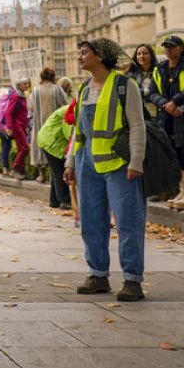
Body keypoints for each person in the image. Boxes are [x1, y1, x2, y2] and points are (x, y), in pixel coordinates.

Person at [64, 38, 148, 302]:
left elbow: (137, 125)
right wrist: (70, 162)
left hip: (118, 163)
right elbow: (78, 130)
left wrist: (136, 161)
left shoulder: (125, 86)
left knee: (127, 222)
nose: (80, 56)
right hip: (86, 162)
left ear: (100, 56)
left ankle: (132, 280)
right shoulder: (84, 88)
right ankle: (98, 274)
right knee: (90, 221)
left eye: (84, 52)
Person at [148, 35, 184, 209]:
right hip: (168, 118)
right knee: (176, 153)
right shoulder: (159, 69)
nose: (169, 49)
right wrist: (165, 104)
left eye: (172, 46)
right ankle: (183, 190)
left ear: (181, 48)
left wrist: (176, 101)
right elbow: (152, 92)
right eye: (166, 46)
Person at [31, 68, 69, 197]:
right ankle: (61, 196)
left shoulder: (35, 90)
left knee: (41, 152)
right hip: (54, 127)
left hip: (40, 126)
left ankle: (41, 175)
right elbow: (66, 105)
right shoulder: (57, 89)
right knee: (56, 160)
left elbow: (30, 108)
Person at [126, 44, 159, 121]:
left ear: (151, 56)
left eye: (145, 53)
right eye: (139, 54)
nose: (142, 56)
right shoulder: (130, 75)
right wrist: (146, 92)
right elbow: (129, 94)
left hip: (157, 114)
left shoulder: (159, 72)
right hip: (137, 115)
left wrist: (141, 92)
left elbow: (160, 92)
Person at [8, 78, 32, 180]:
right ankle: (15, 168)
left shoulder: (22, 96)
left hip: (22, 126)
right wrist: (9, 127)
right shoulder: (16, 96)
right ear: (19, 85)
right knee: (25, 148)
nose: (27, 85)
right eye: (25, 84)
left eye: (28, 84)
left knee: (20, 149)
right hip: (17, 126)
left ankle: (21, 172)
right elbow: (8, 112)